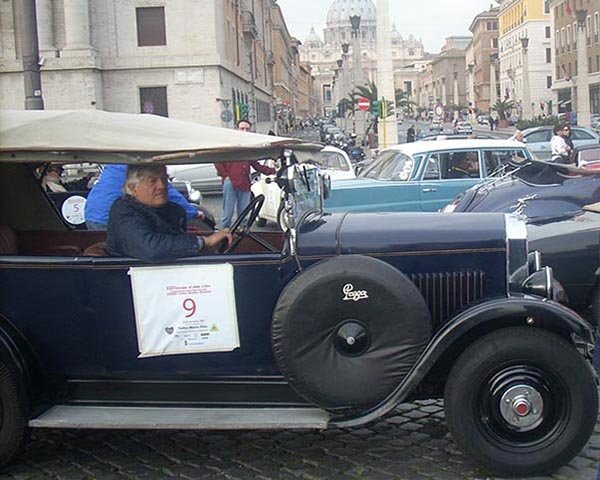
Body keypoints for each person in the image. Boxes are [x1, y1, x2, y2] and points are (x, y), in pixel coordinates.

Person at [106, 164, 232, 262]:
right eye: (152, 181)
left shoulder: (173, 210)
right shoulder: (124, 211)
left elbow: (176, 245)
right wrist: (205, 242)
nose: (161, 186)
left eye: (164, 179)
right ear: (134, 188)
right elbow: (151, 249)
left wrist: (213, 243)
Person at [85, 164, 204, 230]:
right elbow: (167, 193)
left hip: (92, 213)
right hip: (108, 217)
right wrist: (193, 213)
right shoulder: (139, 168)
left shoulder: (116, 165)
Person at [215, 119, 276, 229]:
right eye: (242, 128)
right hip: (231, 182)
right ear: (237, 129)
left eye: (247, 129)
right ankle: (223, 234)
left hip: (245, 182)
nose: (245, 131)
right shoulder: (229, 144)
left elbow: (256, 164)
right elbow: (218, 160)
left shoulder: (249, 146)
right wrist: (225, 175)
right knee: (227, 213)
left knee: (243, 213)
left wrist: (273, 171)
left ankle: (241, 233)